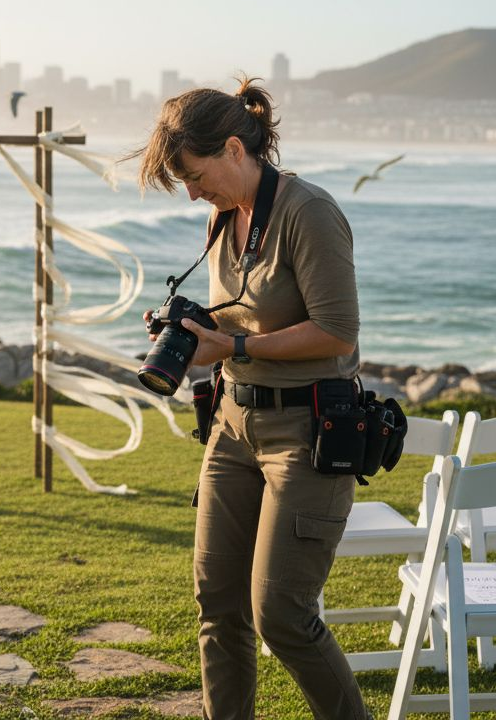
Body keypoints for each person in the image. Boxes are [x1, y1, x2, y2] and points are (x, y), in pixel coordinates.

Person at [133, 76, 369, 719]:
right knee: (218, 608)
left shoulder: (308, 212)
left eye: (194, 173)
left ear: (234, 148)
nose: (190, 191)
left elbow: (336, 332)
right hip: (232, 424)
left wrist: (233, 349)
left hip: (308, 433)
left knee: (282, 616)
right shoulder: (222, 216)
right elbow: (247, 312)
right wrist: (193, 331)